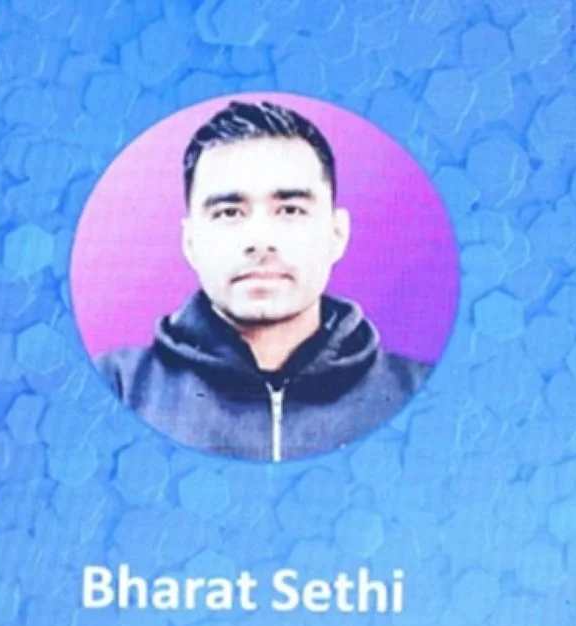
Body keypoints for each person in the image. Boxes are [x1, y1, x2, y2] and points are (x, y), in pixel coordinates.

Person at [97, 100, 430, 461]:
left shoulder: (419, 392)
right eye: (229, 212)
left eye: (290, 210)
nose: (260, 240)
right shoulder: (116, 386)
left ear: (337, 233)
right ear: (190, 241)